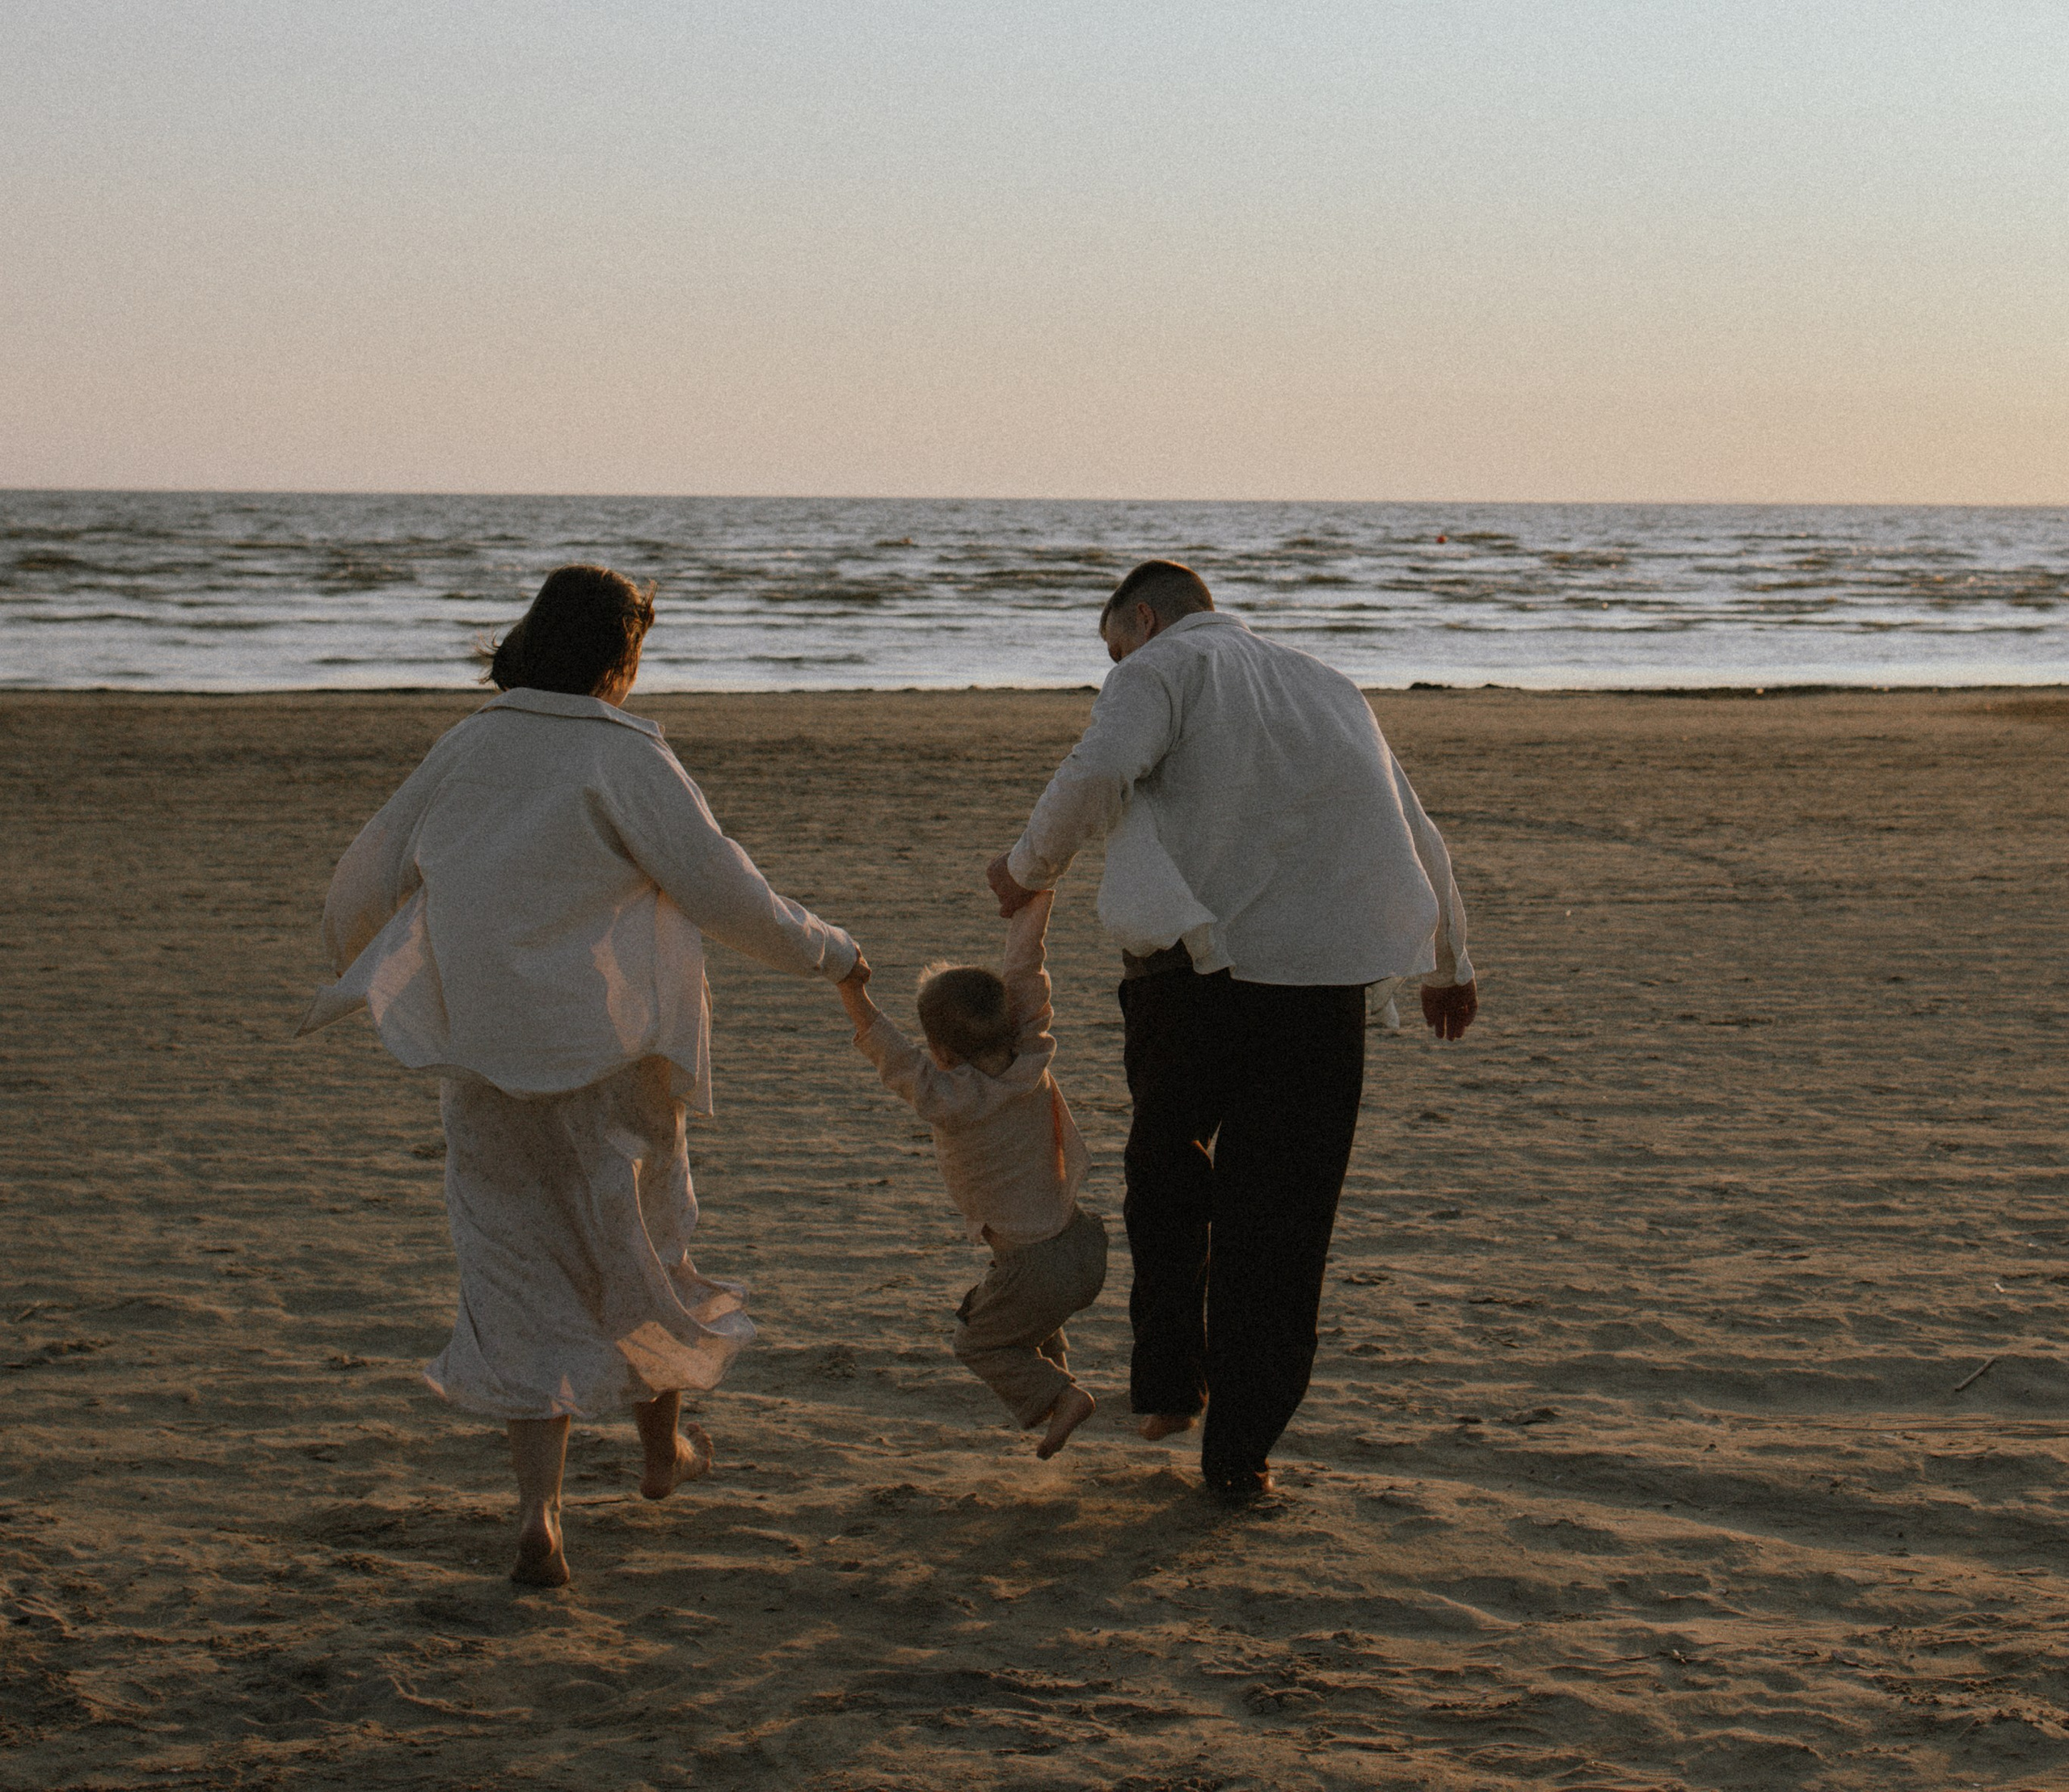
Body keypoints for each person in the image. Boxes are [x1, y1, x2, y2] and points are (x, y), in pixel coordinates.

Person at [300, 563, 862, 1588]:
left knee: (513, 1268)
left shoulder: (470, 743)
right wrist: (831, 953)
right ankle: (661, 1452)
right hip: (616, 1056)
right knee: (641, 1245)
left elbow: (368, 873)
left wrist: (363, 964)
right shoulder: (627, 753)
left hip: (484, 1055)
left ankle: (540, 1516)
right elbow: (724, 889)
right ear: (621, 655)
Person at [984, 559, 1476, 1507]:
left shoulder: (1162, 665)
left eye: (1112, 649)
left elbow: (1099, 770)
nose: (1113, 668)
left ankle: (1173, 1382)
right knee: (1282, 1225)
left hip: (1194, 978)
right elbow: (1414, 828)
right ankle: (1240, 1455)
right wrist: (1452, 962)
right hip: (1318, 990)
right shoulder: (1328, 686)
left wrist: (1027, 866)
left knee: (1166, 1173)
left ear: (1143, 617)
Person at [836, 888, 1107, 1459]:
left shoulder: (949, 1098)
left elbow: (891, 1055)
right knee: (1013, 1317)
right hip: (1083, 1245)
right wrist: (1035, 893)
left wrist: (851, 988)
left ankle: (1063, 1397)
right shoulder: (1033, 1052)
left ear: (941, 1052)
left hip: (1034, 1268)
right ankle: (1054, 1383)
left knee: (977, 1343)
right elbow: (1025, 969)